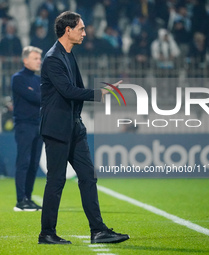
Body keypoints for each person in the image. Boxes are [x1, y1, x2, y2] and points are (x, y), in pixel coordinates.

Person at [38, 11, 129, 245]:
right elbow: (68, 91)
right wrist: (100, 93)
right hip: (57, 130)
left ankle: (98, 231)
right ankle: (47, 233)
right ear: (68, 30)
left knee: (88, 176)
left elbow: (76, 89)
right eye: (81, 28)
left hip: (74, 128)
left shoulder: (68, 55)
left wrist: (78, 121)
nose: (85, 33)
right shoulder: (52, 58)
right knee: (56, 181)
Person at [11, 46, 43, 211]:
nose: (39, 61)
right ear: (25, 60)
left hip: (38, 125)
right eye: (35, 58)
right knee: (23, 162)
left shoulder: (38, 80)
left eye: (39, 58)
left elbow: (41, 97)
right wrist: (42, 97)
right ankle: (20, 200)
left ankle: (28, 199)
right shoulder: (18, 78)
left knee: (34, 164)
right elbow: (35, 98)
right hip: (24, 124)